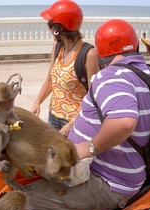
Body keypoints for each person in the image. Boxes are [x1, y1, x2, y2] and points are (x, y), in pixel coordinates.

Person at [21, 19, 150, 210]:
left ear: (102, 51)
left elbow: (124, 122)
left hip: (107, 181)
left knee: (20, 202)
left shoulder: (112, 76)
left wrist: (89, 148)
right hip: (128, 173)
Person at [30, 0, 100, 138]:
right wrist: (37, 102)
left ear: (59, 28)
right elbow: (50, 81)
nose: (48, 28)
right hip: (53, 117)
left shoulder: (89, 54)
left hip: (76, 122)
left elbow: (94, 97)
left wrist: (72, 124)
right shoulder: (57, 46)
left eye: (50, 24)